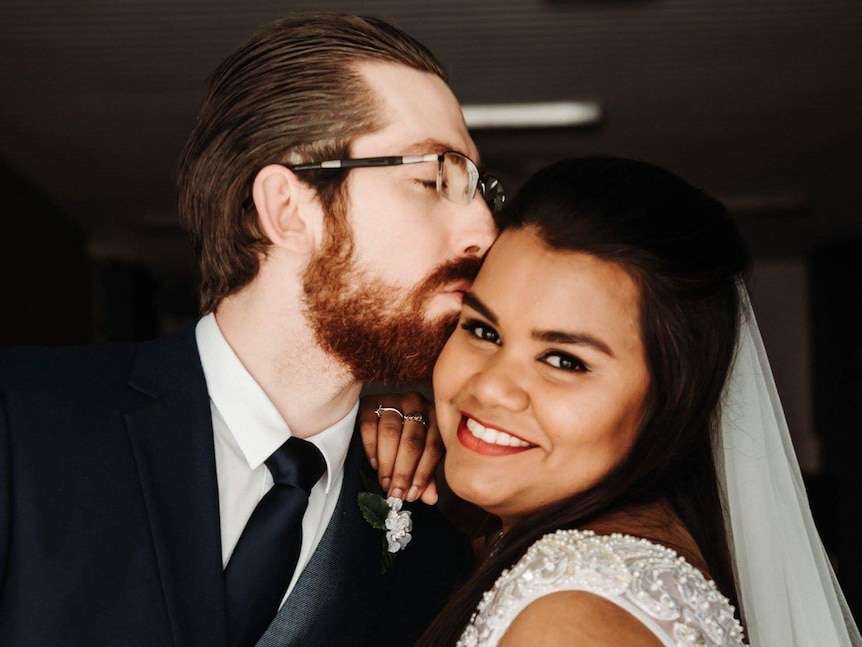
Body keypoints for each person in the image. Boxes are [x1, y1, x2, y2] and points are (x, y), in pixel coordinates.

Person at [0, 14, 500, 647]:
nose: (483, 230)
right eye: (434, 179)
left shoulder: (436, 551)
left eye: (479, 190)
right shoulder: (21, 423)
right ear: (288, 209)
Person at [401, 156, 860, 646]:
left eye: (563, 361)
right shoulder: (624, 565)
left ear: (670, 400)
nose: (490, 387)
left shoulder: (570, 622)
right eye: (482, 330)